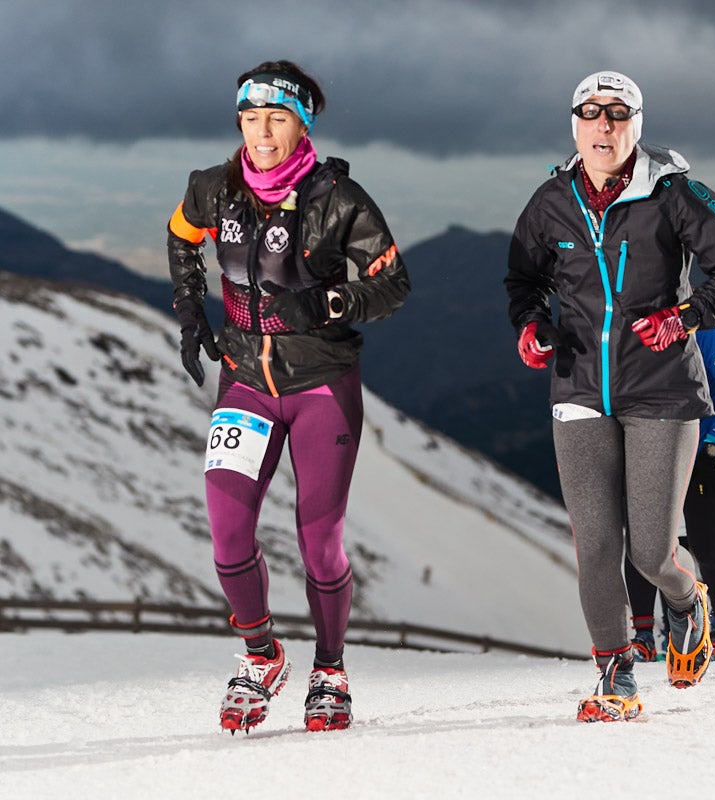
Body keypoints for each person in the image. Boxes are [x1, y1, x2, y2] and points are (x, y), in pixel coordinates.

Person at [505, 70, 715, 722]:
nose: (604, 125)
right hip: (579, 387)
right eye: (591, 113)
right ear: (575, 124)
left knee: (650, 551)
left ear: (635, 124)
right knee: (595, 544)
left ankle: (684, 599)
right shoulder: (551, 201)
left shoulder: (675, 194)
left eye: (618, 113)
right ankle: (615, 673)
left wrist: (688, 316)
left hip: (664, 391)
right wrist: (531, 326)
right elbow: (523, 278)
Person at [167, 60, 412, 733]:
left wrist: (334, 299)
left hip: (321, 385)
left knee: (320, 541)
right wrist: (191, 312)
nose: (263, 132)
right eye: (251, 118)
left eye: (278, 118)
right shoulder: (213, 188)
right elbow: (182, 235)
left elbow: (394, 284)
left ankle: (329, 670)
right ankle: (261, 654)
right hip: (244, 381)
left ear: (302, 123)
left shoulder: (341, 197)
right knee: (226, 533)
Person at [624, 327, 715, 663]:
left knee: (704, 546)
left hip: (703, 457)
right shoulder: (629, 327)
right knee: (643, 546)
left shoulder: (707, 332)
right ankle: (644, 635)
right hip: (648, 452)